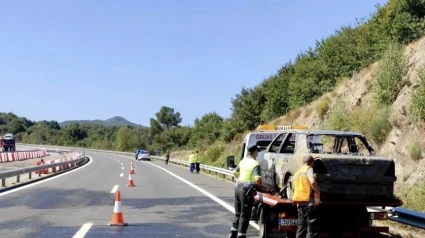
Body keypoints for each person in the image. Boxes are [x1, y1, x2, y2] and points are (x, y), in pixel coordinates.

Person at [228, 144, 262, 238]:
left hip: (238, 188)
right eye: (257, 151)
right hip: (246, 191)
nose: (258, 153)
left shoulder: (242, 161)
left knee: (238, 213)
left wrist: (240, 179)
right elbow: (258, 179)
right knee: (245, 214)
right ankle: (241, 235)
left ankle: (233, 232)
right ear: (254, 152)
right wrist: (260, 187)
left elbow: (234, 172)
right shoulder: (255, 164)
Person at [292, 155, 321, 238]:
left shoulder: (297, 172)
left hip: (300, 204)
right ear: (311, 162)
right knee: (311, 231)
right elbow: (312, 182)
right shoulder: (309, 169)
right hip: (309, 204)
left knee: (300, 230)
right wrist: (318, 191)